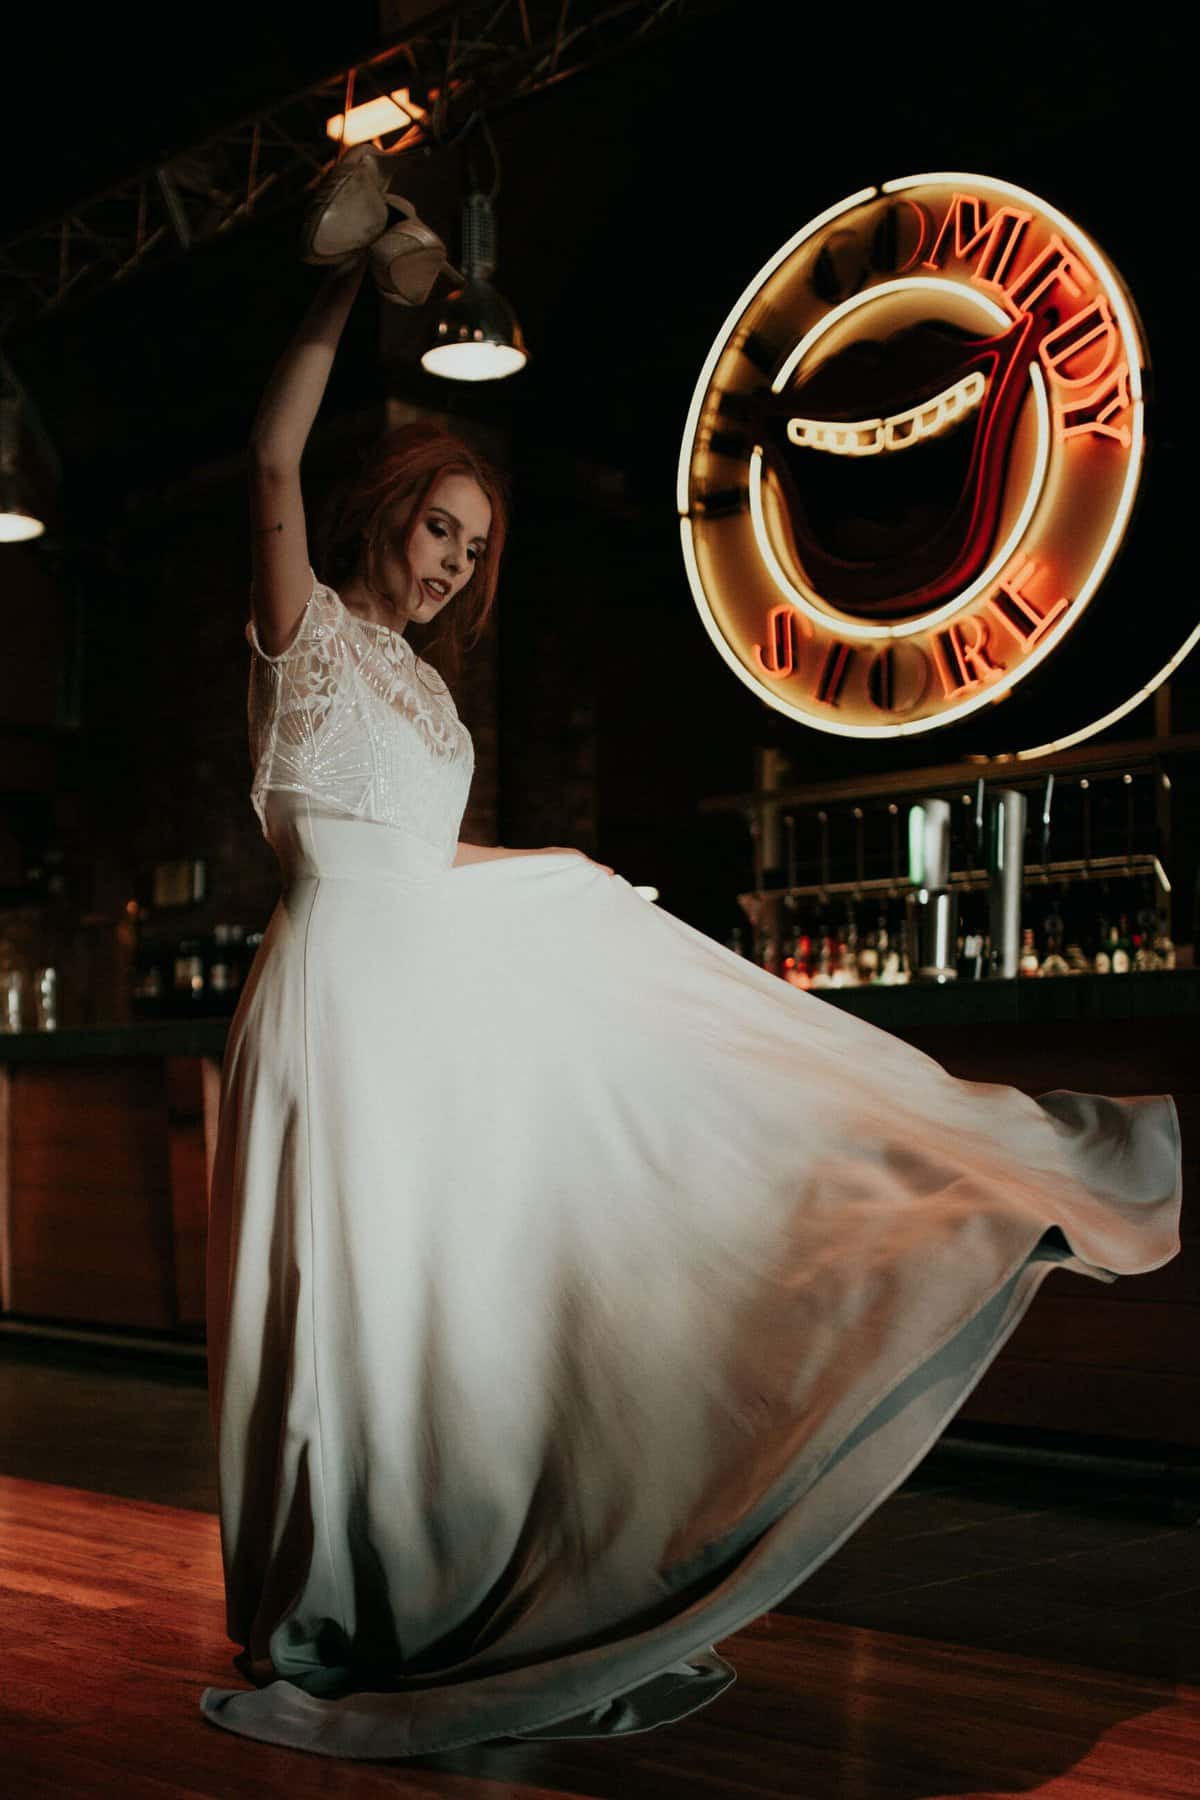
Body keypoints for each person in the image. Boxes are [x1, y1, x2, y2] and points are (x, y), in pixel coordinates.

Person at [200, 252, 1182, 1762]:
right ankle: (334, 1604)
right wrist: (334, 280)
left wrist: (556, 872)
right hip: (337, 999)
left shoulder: (430, 695)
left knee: (445, 1307)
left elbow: (418, 843)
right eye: (443, 529)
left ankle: (434, 1576)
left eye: (478, 548)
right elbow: (270, 450)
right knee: (348, 1302)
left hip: (438, 1009)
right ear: (388, 513)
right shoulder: (303, 633)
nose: (458, 563)